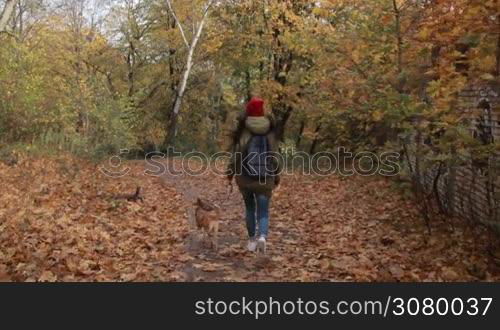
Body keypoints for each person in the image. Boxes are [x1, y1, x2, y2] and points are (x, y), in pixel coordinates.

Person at [226, 97, 281, 254]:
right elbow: (275, 158)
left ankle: (251, 240)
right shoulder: (270, 131)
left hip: (245, 178)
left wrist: (229, 174)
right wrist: (276, 176)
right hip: (265, 178)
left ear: (249, 111)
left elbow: (236, 155)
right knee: (263, 211)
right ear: (262, 112)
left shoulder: (244, 130)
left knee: (250, 208)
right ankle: (262, 237)